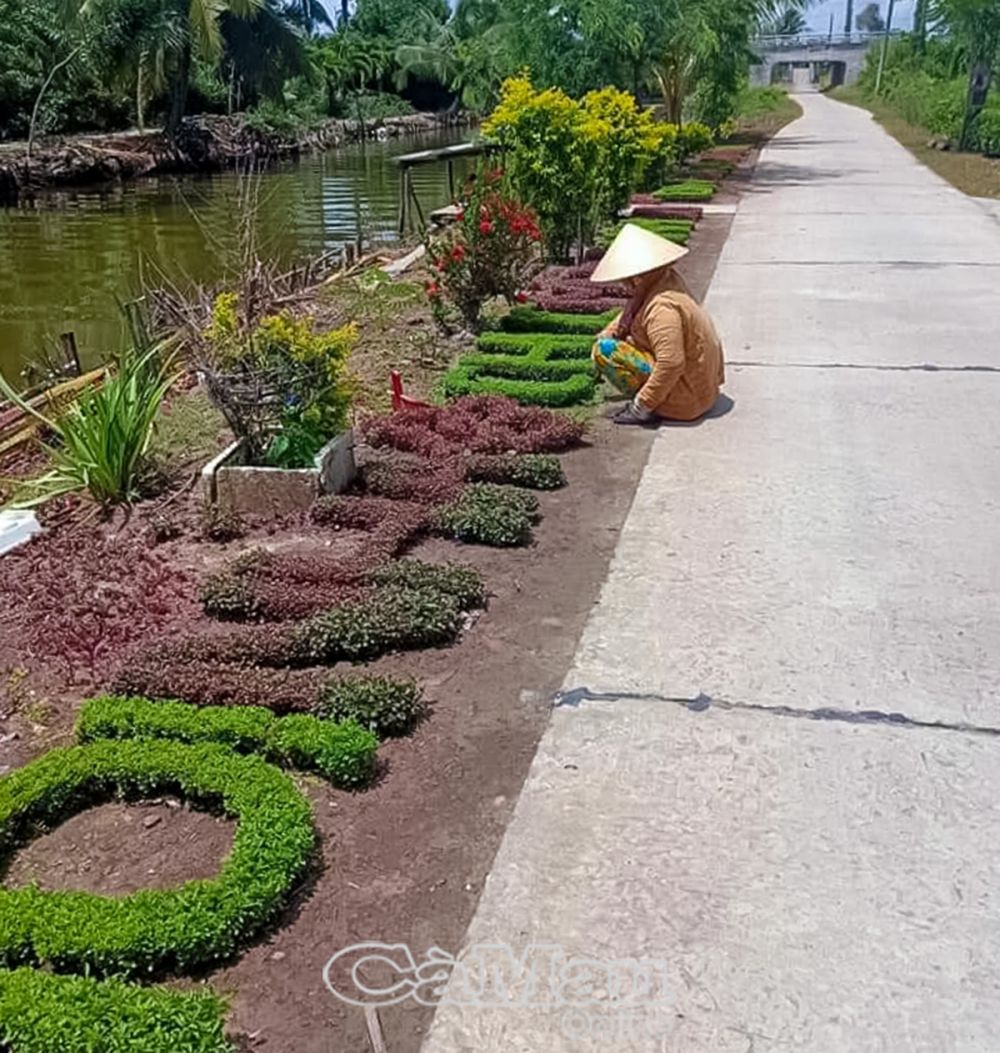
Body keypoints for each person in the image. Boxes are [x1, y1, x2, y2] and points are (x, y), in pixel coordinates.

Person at [590, 223, 726, 426]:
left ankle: (650, 406)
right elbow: (627, 317)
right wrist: (610, 332)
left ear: (636, 277)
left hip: (688, 401)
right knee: (608, 341)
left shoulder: (661, 309)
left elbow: (671, 363)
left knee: (605, 351)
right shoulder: (665, 281)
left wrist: (641, 405)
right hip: (705, 390)